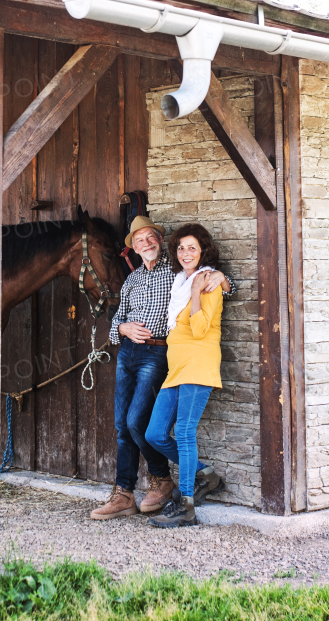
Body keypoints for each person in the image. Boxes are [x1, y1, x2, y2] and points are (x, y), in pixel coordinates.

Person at [89, 216, 232, 521]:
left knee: (138, 422)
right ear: (134, 248)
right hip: (131, 352)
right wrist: (123, 328)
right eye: (139, 240)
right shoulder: (134, 279)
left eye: (150, 237)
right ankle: (124, 493)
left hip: (159, 353)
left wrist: (223, 279)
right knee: (123, 425)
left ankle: (165, 483)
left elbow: (218, 285)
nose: (146, 244)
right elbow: (115, 320)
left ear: (158, 240)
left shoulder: (177, 270)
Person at [145, 223, 226, 528]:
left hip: (198, 364)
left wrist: (195, 293)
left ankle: (187, 506)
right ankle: (204, 474)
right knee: (154, 433)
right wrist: (189, 288)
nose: (185, 253)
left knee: (184, 432)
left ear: (203, 250)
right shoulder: (180, 281)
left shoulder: (206, 282)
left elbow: (201, 328)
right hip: (177, 369)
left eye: (192, 247)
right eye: (181, 247)